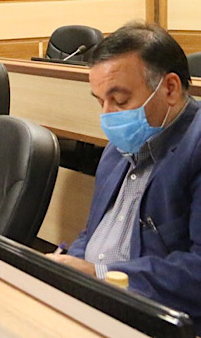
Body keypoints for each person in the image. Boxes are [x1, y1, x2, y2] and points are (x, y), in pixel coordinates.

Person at [48, 22, 201, 324]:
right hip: (91, 305)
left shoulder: (195, 148)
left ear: (170, 88)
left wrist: (102, 276)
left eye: (119, 100)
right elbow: (95, 233)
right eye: (100, 101)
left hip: (151, 317)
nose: (107, 115)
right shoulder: (117, 149)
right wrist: (67, 265)